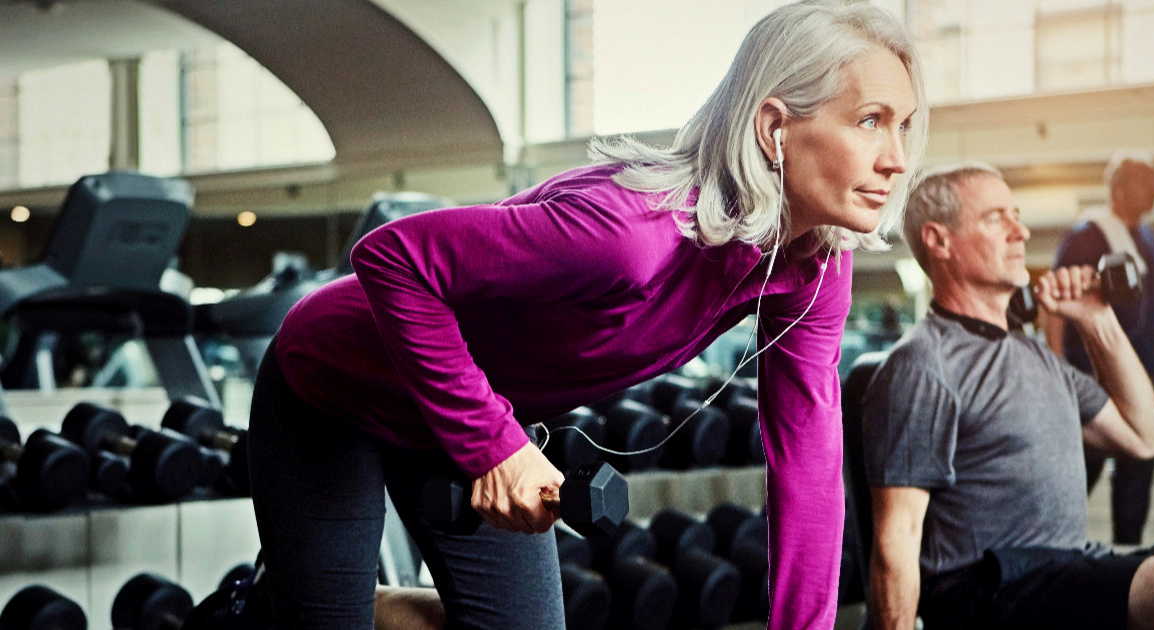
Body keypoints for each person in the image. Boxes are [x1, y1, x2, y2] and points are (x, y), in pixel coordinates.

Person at [247, 2, 927, 629]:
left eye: (902, 126)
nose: (896, 159)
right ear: (775, 127)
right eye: (870, 120)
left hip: (463, 407)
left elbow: (808, 466)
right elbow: (391, 257)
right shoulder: (630, 234)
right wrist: (494, 445)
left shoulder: (810, 269)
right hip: (334, 387)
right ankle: (263, 613)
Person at [863, 162, 1154, 630]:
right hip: (987, 587)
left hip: (1066, 567)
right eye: (997, 218)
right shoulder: (924, 364)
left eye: (1016, 215)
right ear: (940, 241)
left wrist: (1096, 318)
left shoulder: (1036, 359)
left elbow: (1146, 438)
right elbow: (896, 537)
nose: (1020, 231)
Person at [1045, 150, 1154, 546]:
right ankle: (1051, 548)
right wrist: (1058, 366)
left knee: (1140, 466)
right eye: (1144, 181)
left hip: (1142, 374)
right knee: (1081, 472)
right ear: (1118, 187)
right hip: (1092, 376)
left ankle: (1128, 556)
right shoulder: (1086, 234)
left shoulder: (1148, 239)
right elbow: (1057, 303)